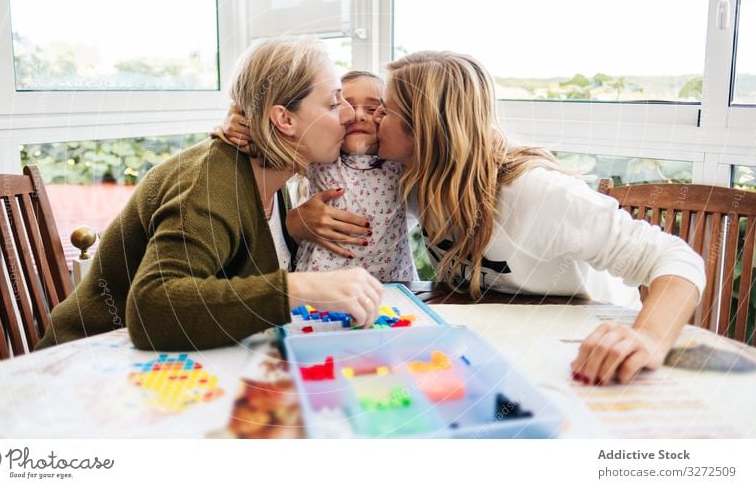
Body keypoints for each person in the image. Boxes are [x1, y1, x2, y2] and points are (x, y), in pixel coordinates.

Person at [286, 51, 706, 386]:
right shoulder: (415, 181)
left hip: (589, 351)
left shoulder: (538, 194)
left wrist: (647, 337)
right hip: (508, 342)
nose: (371, 118)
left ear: (425, 128)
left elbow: (675, 258)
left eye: (386, 110)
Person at [36, 39, 384, 352]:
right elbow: (153, 310)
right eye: (333, 103)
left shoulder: (272, 175)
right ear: (284, 120)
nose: (350, 114)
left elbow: (238, 257)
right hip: (88, 365)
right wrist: (301, 287)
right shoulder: (209, 185)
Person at [224, 70, 417, 282]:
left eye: (372, 109)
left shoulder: (400, 163)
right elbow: (272, 137)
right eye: (343, 107)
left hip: (393, 286)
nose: (357, 115)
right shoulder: (322, 159)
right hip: (322, 284)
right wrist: (236, 117)